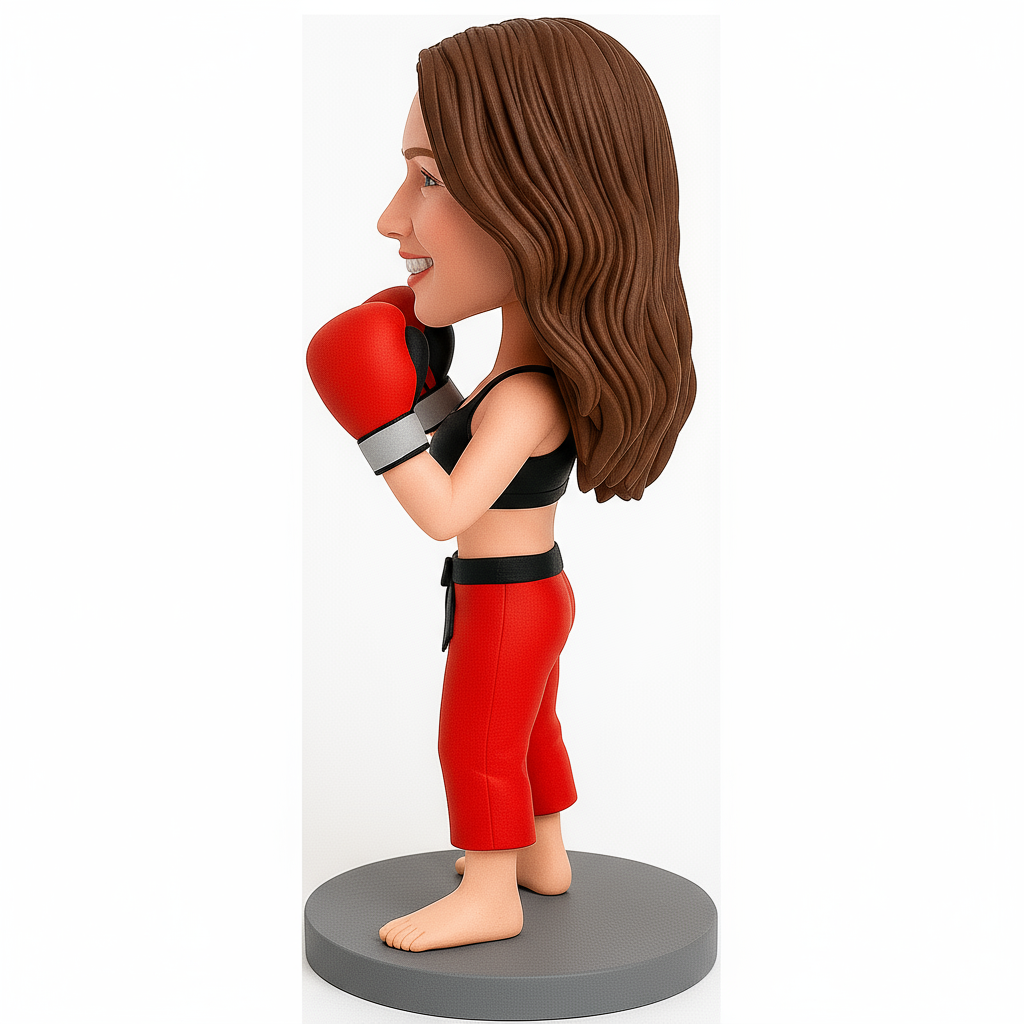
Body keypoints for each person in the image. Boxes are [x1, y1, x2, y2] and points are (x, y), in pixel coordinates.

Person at [307, 17, 695, 952]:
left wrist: (378, 420)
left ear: (537, 200)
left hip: (507, 596)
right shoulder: (518, 379)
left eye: (430, 179)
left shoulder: (524, 394)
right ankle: (542, 855)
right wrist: (424, 385)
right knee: (529, 728)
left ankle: (491, 893)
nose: (392, 218)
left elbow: (445, 509)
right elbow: (470, 455)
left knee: (477, 738)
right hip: (531, 589)